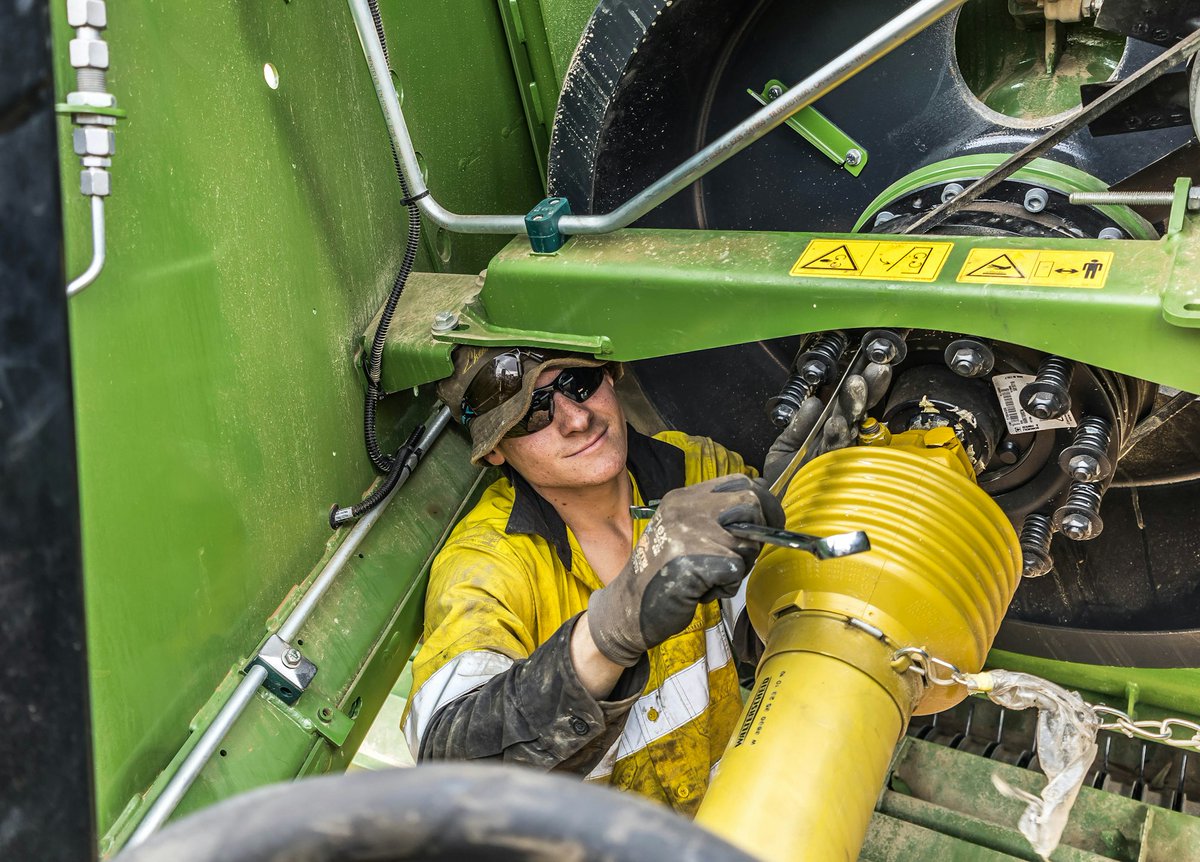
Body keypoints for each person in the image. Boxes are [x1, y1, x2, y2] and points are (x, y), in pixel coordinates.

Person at [400, 345, 794, 815]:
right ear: (495, 453)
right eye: (531, 415)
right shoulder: (486, 565)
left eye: (578, 385)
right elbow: (453, 770)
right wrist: (612, 630)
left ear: (611, 375)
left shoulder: (695, 470)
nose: (575, 420)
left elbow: (766, 622)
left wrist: (811, 487)